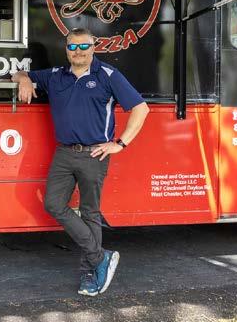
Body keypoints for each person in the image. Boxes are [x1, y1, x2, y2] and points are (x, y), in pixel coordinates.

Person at [11, 28, 149, 296]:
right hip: (64, 153)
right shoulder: (55, 75)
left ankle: (90, 272)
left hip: (95, 154)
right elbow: (16, 74)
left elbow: (141, 108)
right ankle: (100, 257)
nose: (78, 52)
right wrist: (24, 79)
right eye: (73, 47)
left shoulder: (108, 75)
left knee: (90, 213)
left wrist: (120, 144)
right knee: (53, 204)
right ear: (66, 49)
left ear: (93, 47)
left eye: (84, 46)